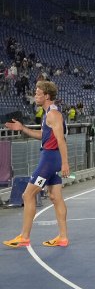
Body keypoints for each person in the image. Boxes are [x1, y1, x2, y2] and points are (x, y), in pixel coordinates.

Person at [3, 81, 71, 248]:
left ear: (47, 96)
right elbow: (44, 135)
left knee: (27, 195)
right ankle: (63, 237)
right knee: (55, 197)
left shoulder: (53, 115)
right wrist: (23, 128)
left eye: (38, 93)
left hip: (49, 160)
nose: (35, 95)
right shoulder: (49, 113)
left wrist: (65, 163)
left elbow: (61, 140)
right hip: (52, 158)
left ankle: (24, 237)